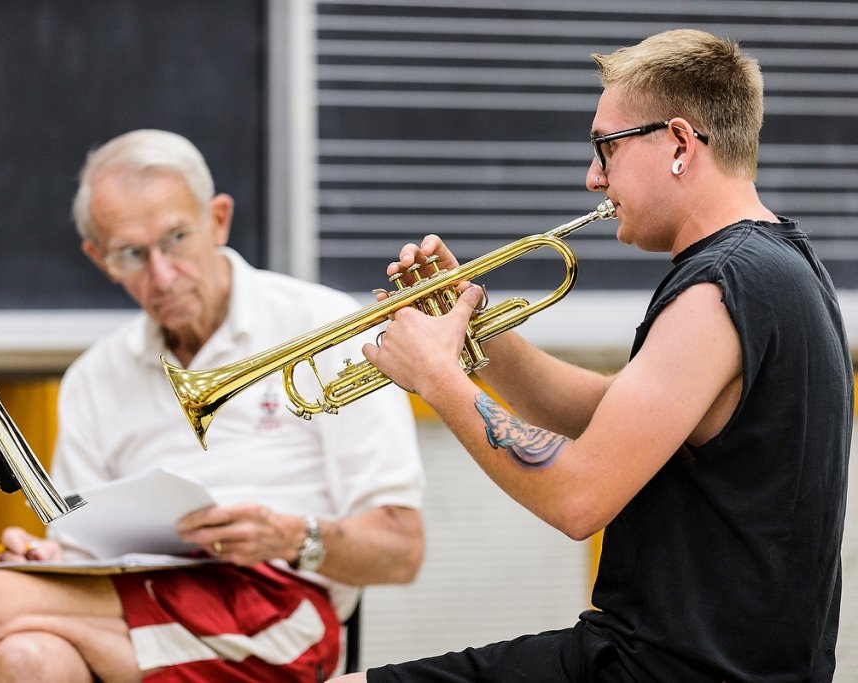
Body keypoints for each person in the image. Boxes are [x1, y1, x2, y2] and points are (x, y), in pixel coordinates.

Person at [332, 29, 852, 683]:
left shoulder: (717, 289)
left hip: (654, 668)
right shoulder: (781, 264)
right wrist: (471, 331)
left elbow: (578, 497)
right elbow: (606, 413)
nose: (593, 177)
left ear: (681, 145)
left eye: (605, 146)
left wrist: (437, 378)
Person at [0, 129, 426, 682]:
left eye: (176, 239)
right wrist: (49, 560)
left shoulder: (326, 325)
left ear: (218, 220)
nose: (161, 275)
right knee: (30, 660)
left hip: (281, 611)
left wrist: (288, 535)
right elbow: (85, 548)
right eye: (132, 254)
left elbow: (401, 551)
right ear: (100, 259)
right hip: (140, 597)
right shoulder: (94, 377)